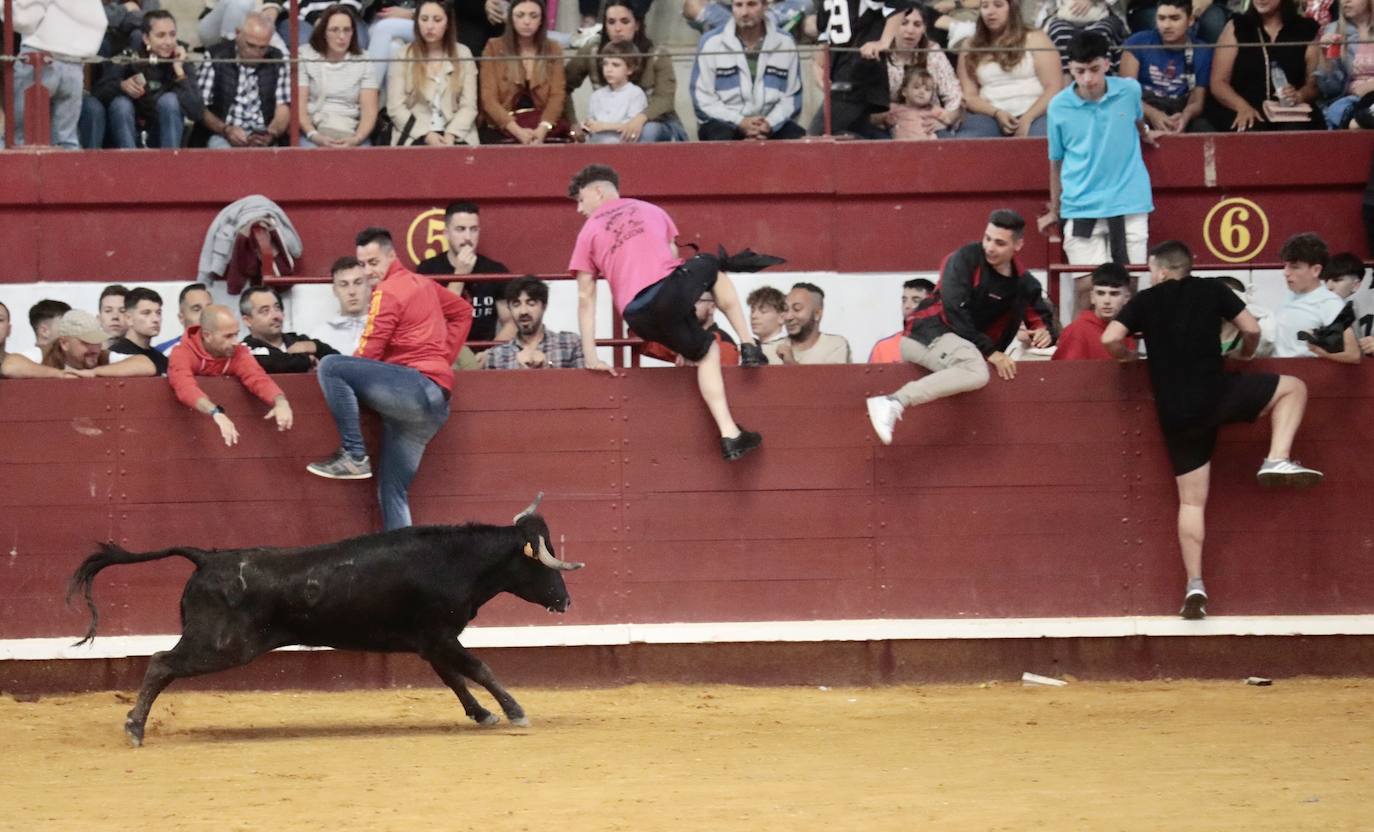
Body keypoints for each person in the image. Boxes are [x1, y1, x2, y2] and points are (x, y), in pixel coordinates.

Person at [1102, 239, 1323, 620]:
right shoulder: (1212, 289)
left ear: (1158, 270)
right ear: (1187, 267)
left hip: (1175, 413)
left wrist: (1130, 358)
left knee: (1190, 502)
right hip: (1216, 395)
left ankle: (1195, 584)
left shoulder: (1147, 301)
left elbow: (1109, 339)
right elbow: (1251, 329)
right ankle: (1276, 458)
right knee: (1294, 387)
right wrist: (1245, 354)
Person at [567, 165, 769, 461]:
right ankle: (748, 344)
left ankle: (731, 434)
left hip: (637, 315)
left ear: (598, 191)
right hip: (667, 295)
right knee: (710, 263)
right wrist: (685, 313)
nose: (579, 208)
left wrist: (591, 355)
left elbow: (586, 296)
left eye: (580, 199)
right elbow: (673, 260)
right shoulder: (650, 210)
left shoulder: (588, 233)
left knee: (705, 350)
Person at [309, 228, 473, 532]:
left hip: (412, 389)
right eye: (364, 264)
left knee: (331, 366)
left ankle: (354, 454)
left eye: (373, 262)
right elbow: (463, 311)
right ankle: (403, 570)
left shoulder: (387, 291)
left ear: (391, 256)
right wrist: (443, 359)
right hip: (433, 402)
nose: (369, 271)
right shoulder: (423, 284)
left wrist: (354, 375)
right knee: (392, 491)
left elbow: (368, 352)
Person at [866, 210, 1057, 445]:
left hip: (961, 347)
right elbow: (954, 310)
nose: (990, 247)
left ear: (1018, 245)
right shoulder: (965, 259)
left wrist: (1044, 332)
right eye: (987, 238)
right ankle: (894, 401)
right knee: (975, 370)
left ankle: (895, 402)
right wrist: (991, 352)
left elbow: (1042, 319)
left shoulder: (1025, 283)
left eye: (999, 242)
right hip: (927, 334)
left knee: (976, 372)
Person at [1043, 31, 1157, 310]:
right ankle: (1087, 354)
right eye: (1080, 71)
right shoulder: (1057, 107)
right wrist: (1055, 209)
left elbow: (1138, 121)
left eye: (1094, 69)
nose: (1088, 79)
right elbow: (1055, 161)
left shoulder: (1130, 90)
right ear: (1070, 69)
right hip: (1081, 206)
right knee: (1085, 292)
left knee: (1129, 289)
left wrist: (1146, 134)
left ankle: (1127, 352)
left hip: (1129, 203)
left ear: (1107, 64)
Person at [168, 304, 295, 447]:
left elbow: (258, 378)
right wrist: (215, 412)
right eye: (228, 336)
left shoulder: (238, 352)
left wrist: (280, 402)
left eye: (236, 334)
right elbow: (184, 387)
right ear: (207, 335)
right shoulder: (182, 353)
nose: (235, 342)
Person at [563, 2, 686, 143]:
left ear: (637, 25)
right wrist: (573, 124)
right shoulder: (592, 51)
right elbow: (562, 85)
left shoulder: (657, 54)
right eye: (611, 22)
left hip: (656, 123)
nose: (618, 28)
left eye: (625, 21)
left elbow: (665, 99)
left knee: (647, 131)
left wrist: (639, 119)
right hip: (608, 127)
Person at [693, 0, 805, 141]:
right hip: (724, 123)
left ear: (765, 6)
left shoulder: (786, 42)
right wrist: (740, 122)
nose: (744, 12)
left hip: (770, 124)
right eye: (738, 5)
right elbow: (703, 100)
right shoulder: (710, 43)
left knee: (797, 137)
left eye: (751, 4)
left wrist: (768, 124)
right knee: (719, 135)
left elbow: (792, 98)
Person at [1206, 0, 1323, 132]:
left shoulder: (1305, 29)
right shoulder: (1237, 26)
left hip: (1289, 111)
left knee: (1295, 131)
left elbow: (1313, 85)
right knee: (1250, 127)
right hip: (1242, 106)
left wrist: (1299, 95)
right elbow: (1218, 83)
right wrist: (1242, 107)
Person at [94, 10, 203, 149]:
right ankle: (130, 165)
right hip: (129, 135)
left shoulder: (180, 60)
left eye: (172, 35)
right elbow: (98, 92)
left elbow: (197, 112)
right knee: (121, 104)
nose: (168, 42)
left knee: (169, 101)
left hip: (160, 136)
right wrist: (121, 86)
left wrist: (179, 70)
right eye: (161, 35)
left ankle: (170, 164)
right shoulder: (130, 56)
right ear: (146, 38)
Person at [956, 0, 1062, 137]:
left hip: (1037, 113)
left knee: (1042, 139)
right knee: (969, 139)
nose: (990, 11)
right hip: (989, 114)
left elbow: (1054, 87)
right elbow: (969, 96)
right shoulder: (970, 45)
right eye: (984, 6)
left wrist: (1027, 118)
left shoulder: (1036, 38)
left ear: (1011, 8)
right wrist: (997, 113)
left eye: (998, 5)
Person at [415, 201, 514, 345]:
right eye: (460, 229)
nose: (468, 237)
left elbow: (511, 323)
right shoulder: (428, 270)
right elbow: (434, 322)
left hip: (484, 356)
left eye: (473, 229)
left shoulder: (495, 270)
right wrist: (460, 275)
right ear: (446, 234)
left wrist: (491, 354)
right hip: (442, 352)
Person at [808, 0, 910, 138]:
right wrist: (820, 54)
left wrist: (884, 41)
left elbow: (898, 5)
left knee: (818, 134)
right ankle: (879, 152)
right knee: (853, 131)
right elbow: (826, 25)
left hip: (858, 69)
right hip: (841, 69)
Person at [386, 0, 479, 146]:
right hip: (415, 134)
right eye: (424, 19)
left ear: (448, 24)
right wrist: (426, 134)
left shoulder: (464, 53)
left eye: (437, 20)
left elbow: (469, 106)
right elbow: (395, 107)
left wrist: (451, 134)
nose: (429, 26)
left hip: (457, 134)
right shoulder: (403, 55)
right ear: (417, 23)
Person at [193, 13, 293, 147]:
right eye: (250, 45)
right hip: (223, 133)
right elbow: (200, 108)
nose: (256, 53)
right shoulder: (215, 56)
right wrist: (225, 129)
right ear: (237, 34)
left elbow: (283, 109)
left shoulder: (277, 59)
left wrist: (271, 134)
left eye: (263, 47)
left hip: (263, 134)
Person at [1119, 0, 1216, 134]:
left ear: (1190, 20)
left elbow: (1197, 101)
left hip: (1179, 111)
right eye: (1161, 18)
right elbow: (1126, 95)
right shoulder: (1137, 42)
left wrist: (1185, 116)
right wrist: (1153, 114)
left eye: (1174, 18)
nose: (1166, 25)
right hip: (1143, 109)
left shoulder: (1202, 50)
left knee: (1204, 128)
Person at [479, 0, 568, 144]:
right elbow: (488, 98)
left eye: (533, 16)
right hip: (502, 127)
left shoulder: (553, 48)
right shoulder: (493, 47)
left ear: (541, 20)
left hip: (543, 126)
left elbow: (557, 96)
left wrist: (543, 129)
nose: (527, 21)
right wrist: (517, 131)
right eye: (520, 15)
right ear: (510, 19)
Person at [1271, 233, 1362, 362]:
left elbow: (1352, 354)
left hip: (1307, 376)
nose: (1285, 273)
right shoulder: (1287, 298)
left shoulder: (1330, 304)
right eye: (1285, 266)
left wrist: (1318, 351)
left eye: (1294, 267)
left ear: (1316, 270)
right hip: (1278, 372)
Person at [298, 5, 380, 147]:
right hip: (314, 131)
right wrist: (315, 136)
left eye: (347, 30)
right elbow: (300, 108)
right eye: (334, 30)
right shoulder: (305, 55)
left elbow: (369, 111)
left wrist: (356, 139)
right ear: (323, 32)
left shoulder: (364, 59)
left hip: (352, 132)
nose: (341, 36)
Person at [876, 9, 963, 136]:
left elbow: (954, 97)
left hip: (929, 124)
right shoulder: (879, 52)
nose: (910, 31)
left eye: (917, 25)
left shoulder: (933, 51)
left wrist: (944, 122)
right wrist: (885, 118)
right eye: (904, 23)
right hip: (891, 125)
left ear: (924, 29)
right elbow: (870, 108)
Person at [483, 276, 585, 369]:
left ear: (544, 306)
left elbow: (584, 386)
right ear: (509, 308)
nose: (523, 311)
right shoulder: (496, 356)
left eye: (531, 303)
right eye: (516, 304)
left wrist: (548, 365)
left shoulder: (571, 343)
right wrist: (516, 366)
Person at [240, 287, 341, 373]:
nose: (276, 316)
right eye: (265, 311)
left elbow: (341, 364)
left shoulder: (300, 341)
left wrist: (317, 347)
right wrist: (307, 361)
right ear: (247, 320)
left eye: (277, 308)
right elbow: (270, 363)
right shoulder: (243, 351)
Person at [1051, 262, 1134, 360]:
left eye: (1114, 294)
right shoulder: (1076, 331)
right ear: (1092, 297)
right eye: (1100, 293)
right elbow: (1068, 373)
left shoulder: (1124, 330)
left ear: (1127, 298)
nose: (1106, 301)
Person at [1316, 0, 1374, 129]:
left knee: (1357, 124)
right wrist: (1326, 58)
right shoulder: (1333, 30)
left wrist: (1369, 87)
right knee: (1343, 115)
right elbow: (1330, 91)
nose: (1345, 2)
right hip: (1351, 102)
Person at [581, 41, 648, 145]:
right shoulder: (597, 95)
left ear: (630, 69)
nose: (608, 70)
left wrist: (603, 126)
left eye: (615, 65)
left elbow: (631, 126)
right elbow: (591, 120)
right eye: (605, 64)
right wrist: (586, 125)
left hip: (622, 146)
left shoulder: (635, 93)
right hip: (595, 145)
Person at [776, 283, 852, 364]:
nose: (788, 317)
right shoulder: (770, 349)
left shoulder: (835, 346)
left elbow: (832, 377)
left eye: (797, 309)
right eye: (785, 309)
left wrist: (791, 363)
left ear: (817, 314)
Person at [869, 278, 934, 363]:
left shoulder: (945, 346)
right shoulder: (884, 348)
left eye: (916, 300)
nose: (907, 306)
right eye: (904, 300)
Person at [109, 287, 170, 375]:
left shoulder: (162, 359)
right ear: (128, 318)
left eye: (158, 313)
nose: (156, 319)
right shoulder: (115, 355)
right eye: (146, 313)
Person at [322, 256, 376, 355]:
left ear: (369, 286)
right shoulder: (321, 335)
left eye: (358, 283)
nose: (352, 292)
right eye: (344, 284)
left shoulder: (386, 329)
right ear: (335, 291)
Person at [889, 67, 952, 140]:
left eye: (927, 90)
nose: (922, 92)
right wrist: (888, 120)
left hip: (927, 146)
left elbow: (949, 119)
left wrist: (942, 124)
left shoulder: (931, 109)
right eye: (916, 87)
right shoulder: (896, 108)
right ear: (904, 92)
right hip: (901, 147)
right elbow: (879, 119)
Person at [155, 284, 214, 354]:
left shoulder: (225, 350)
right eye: (196, 309)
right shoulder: (163, 353)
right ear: (181, 318)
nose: (205, 314)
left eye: (209, 309)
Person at [748, 285, 788, 363]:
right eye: (752, 311)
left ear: (781, 317)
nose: (753, 316)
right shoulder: (746, 348)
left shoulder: (791, 348)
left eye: (763, 311)